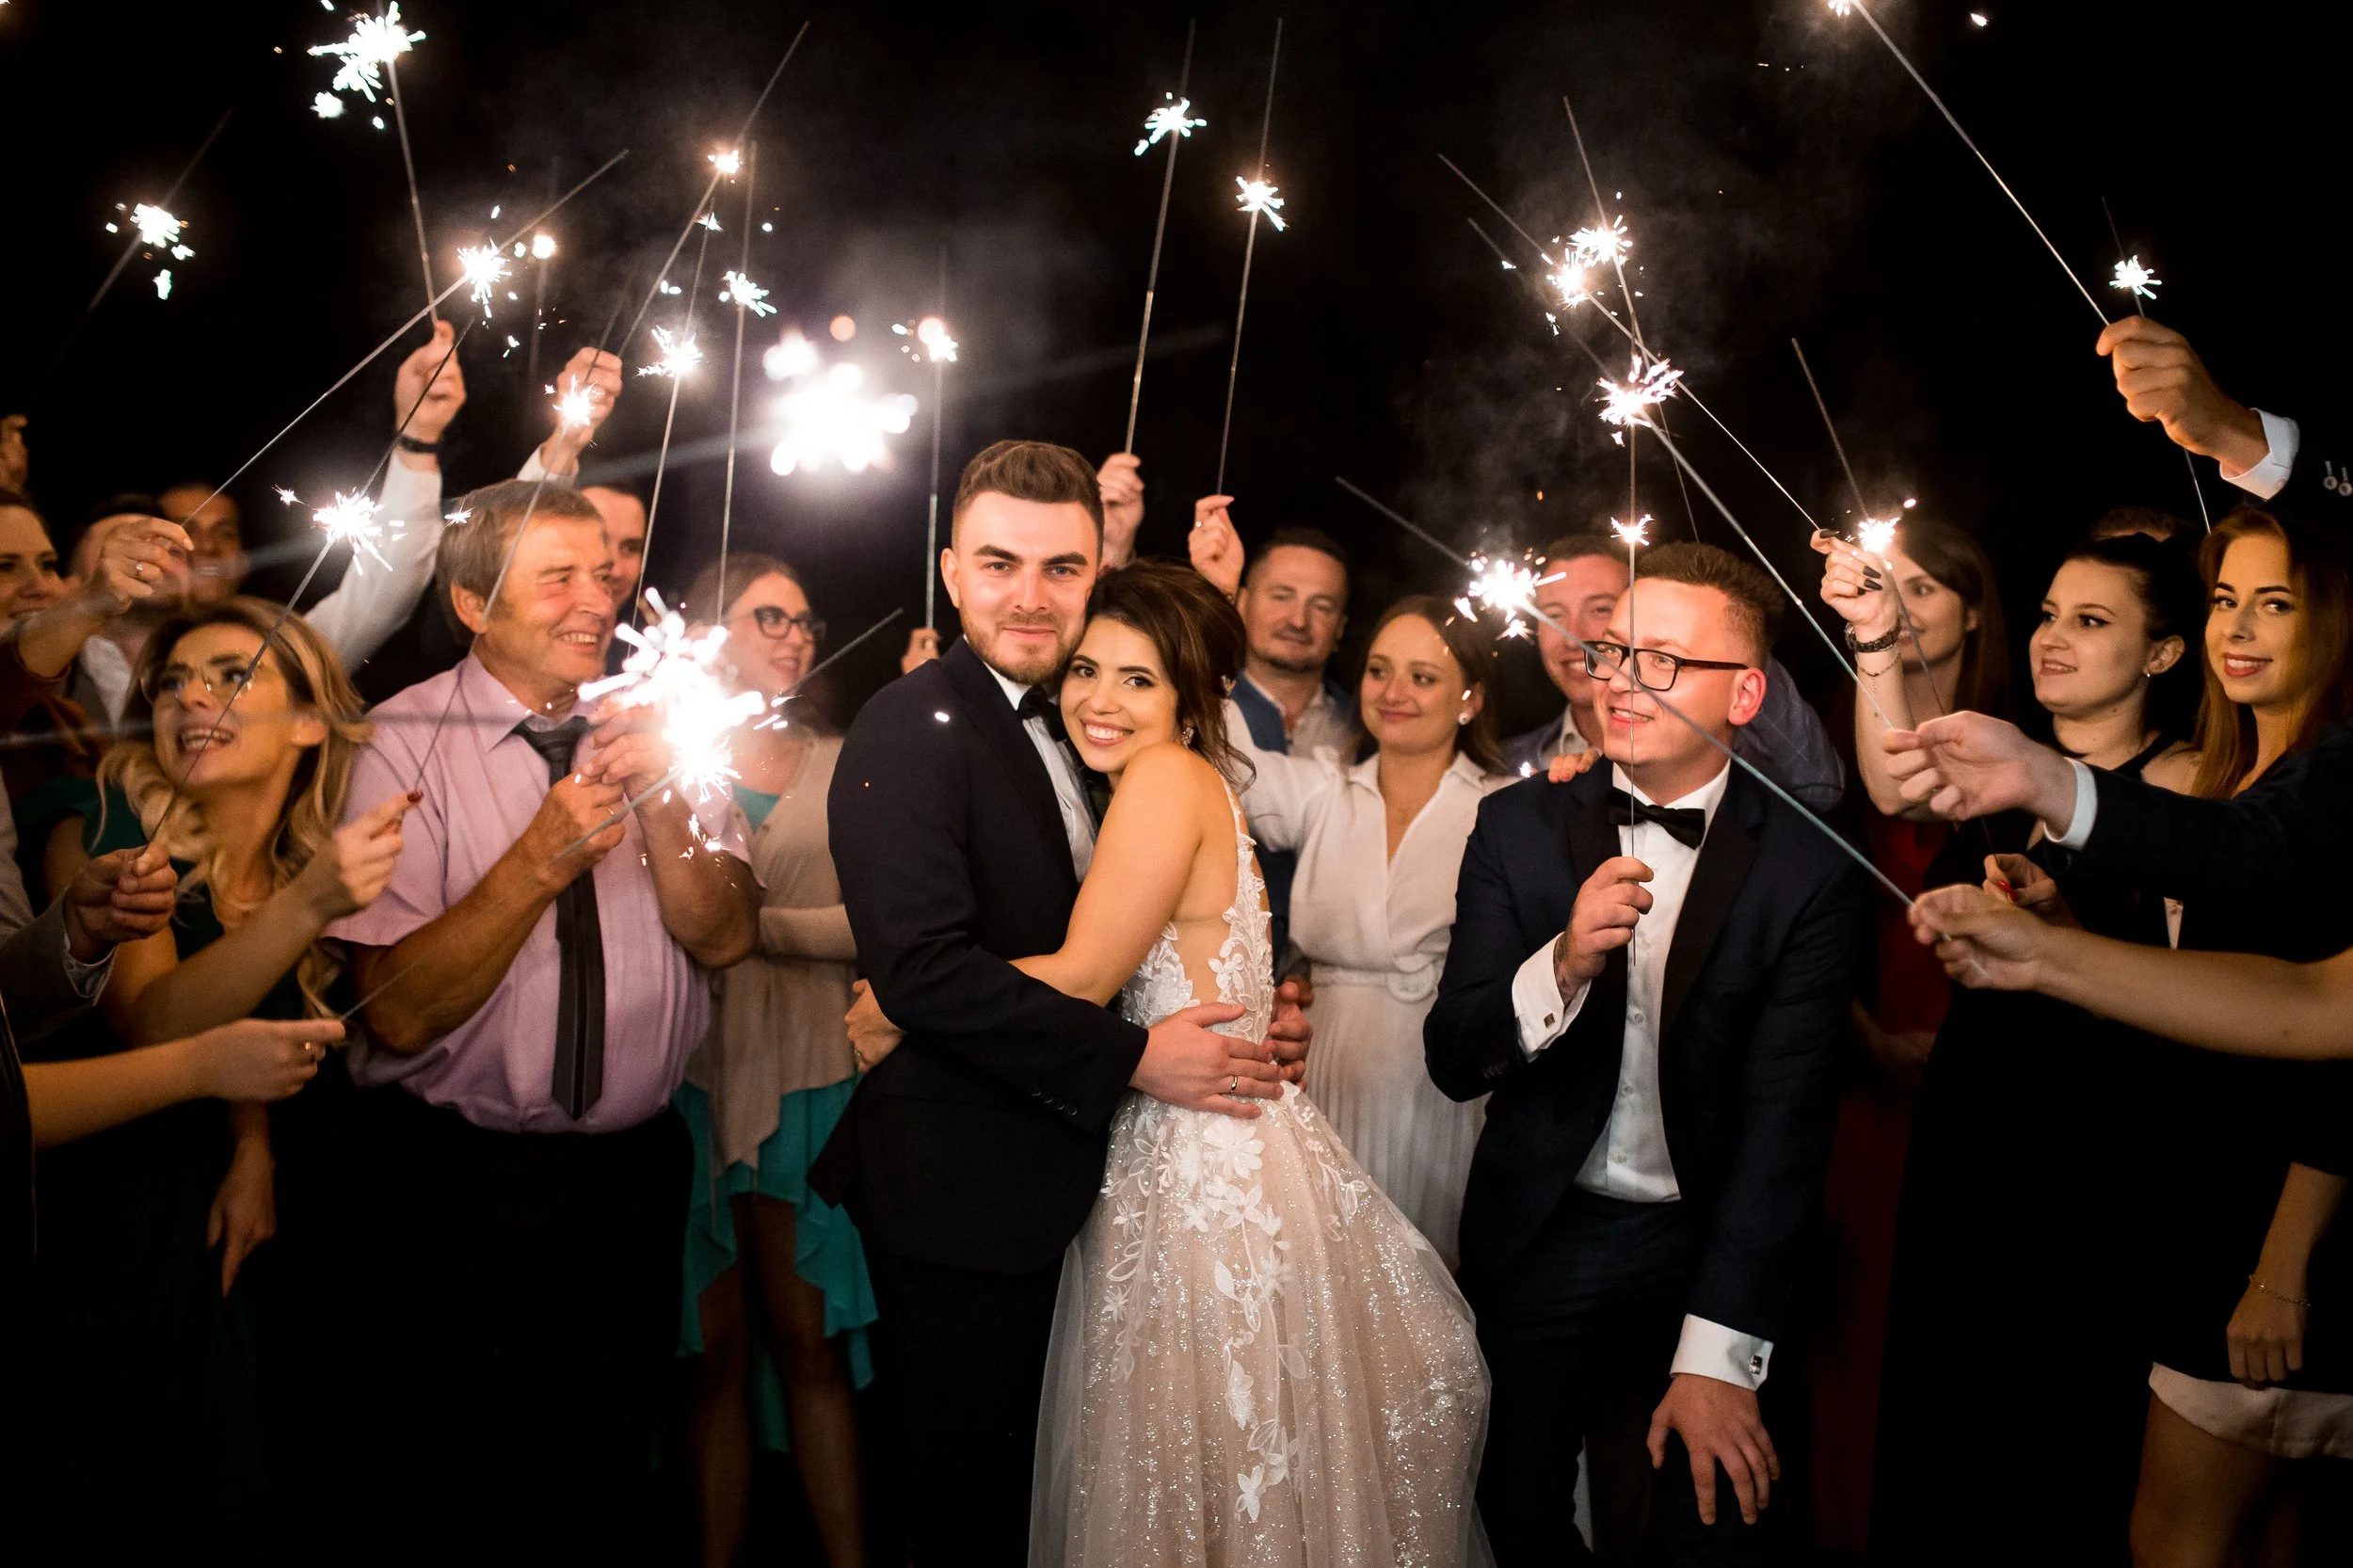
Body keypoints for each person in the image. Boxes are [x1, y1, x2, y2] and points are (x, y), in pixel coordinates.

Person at [857, 558, 1489, 1562]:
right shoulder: (1178, 785)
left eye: (1137, 680)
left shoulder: (1160, 781)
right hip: (1206, 1134)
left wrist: (904, 998)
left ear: (1191, 704)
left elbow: (1084, 970)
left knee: (1192, 1460)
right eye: (1087, 671)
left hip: (1195, 1162)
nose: (1099, 701)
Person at [809, 440, 1309, 1567]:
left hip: (1086, 1183)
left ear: (1096, 574)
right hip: (965, 1187)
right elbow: (924, 968)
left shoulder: (1095, 723)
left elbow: (1135, 928)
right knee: (973, 1511)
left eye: (1061, 568)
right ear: (952, 571)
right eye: (999, 564)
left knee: (1072, 1506)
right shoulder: (908, 725)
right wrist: (1132, 1053)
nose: (1030, 596)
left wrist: (1239, 1001)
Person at [329, 477, 757, 1559]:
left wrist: (667, 800)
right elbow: (396, 1013)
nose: (596, 600)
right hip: (456, 1178)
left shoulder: (662, 728)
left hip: (633, 1175)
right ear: (474, 604)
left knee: (605, 1483)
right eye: (557, 577)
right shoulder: (400, 739)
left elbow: (725, 937)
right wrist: (535, 862)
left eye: (603, 575)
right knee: (458, 1478)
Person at [1425, 542, 1864, 1565]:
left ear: (1744, 693)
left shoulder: (1808, 867)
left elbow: (1787, 1128)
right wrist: (1563, 963)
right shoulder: (1516, 825)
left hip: (1709, 1239)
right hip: (1545, 1225)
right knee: (1507, 1517)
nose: (1619, 679)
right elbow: (1453, 1057)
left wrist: (1718, 1354)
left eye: (1661, 659)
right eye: (1613, 650)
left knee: (1712, 1524)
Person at [1835, 528, 2205, 1564]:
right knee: (1947, 1427)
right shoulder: (2010, 755)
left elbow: (2200, 997)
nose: (2052, 637)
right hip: (1970, 1128)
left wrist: (2061, 934)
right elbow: (1895, 784)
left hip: (2095, 1154)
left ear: (2164, 653)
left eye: (2090, 620)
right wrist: (1874, 635)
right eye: (2047, 614)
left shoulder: (2184, 786)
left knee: (2055, 1448)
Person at [23, 598, 411, 1560]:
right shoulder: (105, 817)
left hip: (238, 1220)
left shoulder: (301, 858)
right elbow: (150, 1019)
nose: (192, 696)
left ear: (311, 721)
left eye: (232, 676)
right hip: (99, 1208)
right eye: (173, 682)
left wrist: (251, 1140)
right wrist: (309, 902)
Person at [1198, 519, 1514, 1263]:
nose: (1393, 693)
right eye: (1378, 670)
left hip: (1439, 1078)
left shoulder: (1505, 810)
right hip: (1320, 1064)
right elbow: (1221, 752)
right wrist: (1215, 601)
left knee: (1427, 1271)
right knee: (1322, 1271)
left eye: (1423, 677)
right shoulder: (1323, 790)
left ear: (1469, 699)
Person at [675, 552, 871, 1568]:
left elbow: (888, 919)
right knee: (710, 1356)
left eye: (803, 620)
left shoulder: (847, 761)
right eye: (769, 617)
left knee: (809, 1343)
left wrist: (755, 931)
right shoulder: (668, 763)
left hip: (810, 1063)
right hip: (692, 1068)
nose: (796, 636)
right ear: (710, 633)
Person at [1503, 531, 1847, 812]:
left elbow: (1820, 790)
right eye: (1553, 614)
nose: (1573, 637)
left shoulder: (1732, 754)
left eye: (1600, 609)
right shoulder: (1504, 769)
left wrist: (1726, 635)